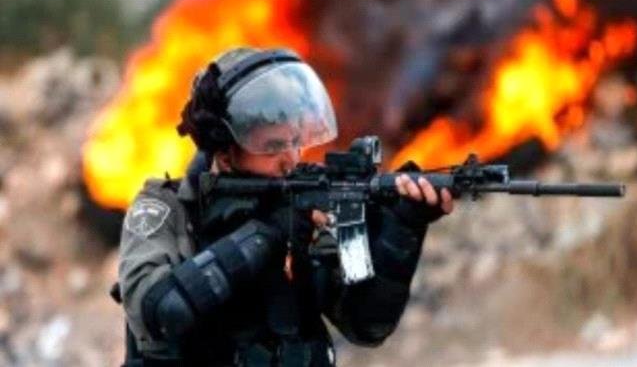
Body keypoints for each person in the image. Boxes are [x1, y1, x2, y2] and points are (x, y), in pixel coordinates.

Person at [117, 47, 454, 366]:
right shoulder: (166, 210)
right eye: (273, 146)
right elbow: (160, 311)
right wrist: (267, 234)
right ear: (225, 153)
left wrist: (403, 227)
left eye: (295, 141)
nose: (290, 159)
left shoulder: (304, 208)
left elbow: (367, 325)